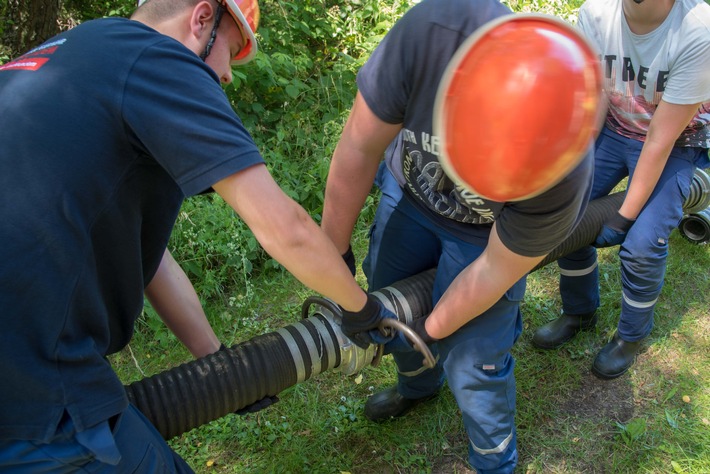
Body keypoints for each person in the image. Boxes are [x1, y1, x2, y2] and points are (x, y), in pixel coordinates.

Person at [0, 0, 394, 471]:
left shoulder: (75, 54)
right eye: (230, 49)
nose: (227, 75)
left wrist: (219, 366)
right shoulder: (155, 59)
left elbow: (148, 255)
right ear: (201, 18)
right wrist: (361, 308)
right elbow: (283, 227)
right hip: (29, 376)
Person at [321, 0, 597, 472]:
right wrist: (334, 259)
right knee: (384, 297)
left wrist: (427, 333)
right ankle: (417, 386)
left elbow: (491, 271)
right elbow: (357, 148)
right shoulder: (431, 33)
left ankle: (495, 463)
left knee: (475, 363)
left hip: (489, 238)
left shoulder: (565, 176)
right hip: (411, 192)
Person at [531, 0, 710, 379]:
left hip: (679, 141)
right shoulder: (596, 13)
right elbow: (596, 97)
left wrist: (625, 215)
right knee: (568, 215)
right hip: (615, 128)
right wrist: (577, 168)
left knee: (642, 244)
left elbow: (661, 140)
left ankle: (630, 337)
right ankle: (579, 312)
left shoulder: (699, 30)